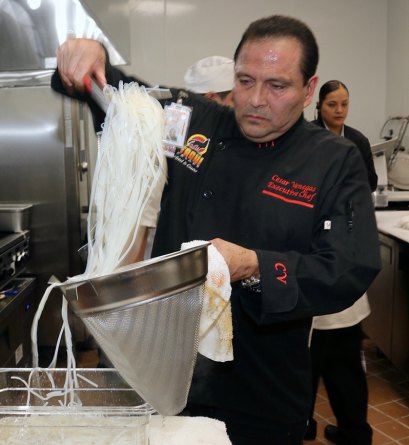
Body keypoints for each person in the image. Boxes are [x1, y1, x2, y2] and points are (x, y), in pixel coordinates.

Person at [51, 15, 381, 445]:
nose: (255, 100)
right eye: (245, 81)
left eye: (277, 86)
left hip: (264, 385)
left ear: (308, 89)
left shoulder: (334, 160)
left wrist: (255, 265)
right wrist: (91, 57)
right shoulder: (196, 122)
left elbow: (348, 267)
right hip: (169, 374)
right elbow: (120, 96)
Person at [305, 80, 378, 445]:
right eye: (332, 103)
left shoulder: (354, 143)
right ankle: (309, 426)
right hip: (312, 275)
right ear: (317, 105)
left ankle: (352, 431)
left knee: (339, 361)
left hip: (336, 269)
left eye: (344, 103)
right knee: (315, 363)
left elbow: (365, 193)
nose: (338, 110)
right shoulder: (309, 141)